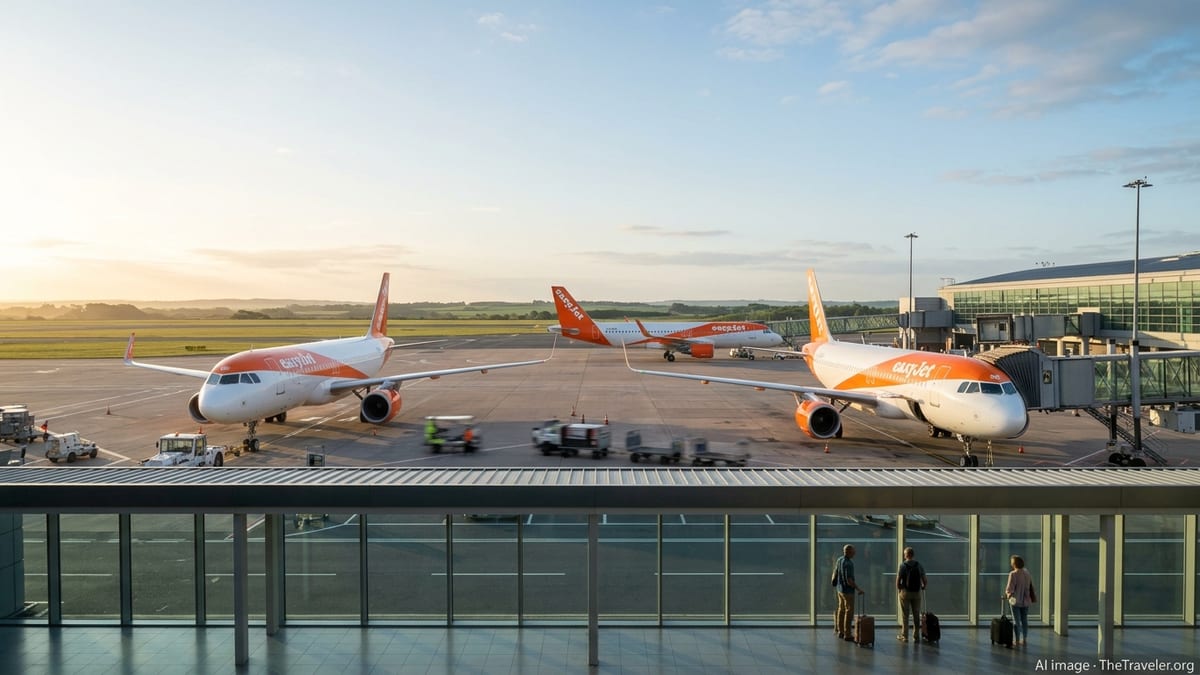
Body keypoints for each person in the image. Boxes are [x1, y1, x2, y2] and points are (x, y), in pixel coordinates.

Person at [832, 544, 863, 641]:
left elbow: (835, 572)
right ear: (849, 552)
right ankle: (847, 633)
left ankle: (840, 631)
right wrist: (858, 589)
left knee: (841, 610)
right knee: (849, 612)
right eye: (853, 551)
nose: (855, 552)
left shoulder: (839, 559)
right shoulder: (849, 563)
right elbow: (849, 580)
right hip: (848, 591)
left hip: (839, 589)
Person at [896, 546, 927, 642]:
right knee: (916, 614)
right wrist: (923, 586)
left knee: (905, 615)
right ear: (913, 555)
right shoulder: (919, 565)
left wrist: (900, 589)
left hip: (905, 592)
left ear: (906, 555)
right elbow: (924, 580)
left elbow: (898, 580)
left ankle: (905, 636)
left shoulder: (903, 565)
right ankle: (916, 636)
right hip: (916, 593)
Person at [1005, 554, 1035, 645]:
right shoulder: (1027, 573)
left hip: (1015, 601)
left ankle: (1017, 640)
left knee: (1016, 621)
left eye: (1011, 562)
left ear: (1014, 564)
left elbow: (1010, 589)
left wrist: (1008, 594)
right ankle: (1024, 639)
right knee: (1024, 620)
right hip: (1026, 601)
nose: (1011, 564)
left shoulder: (1013, 574)